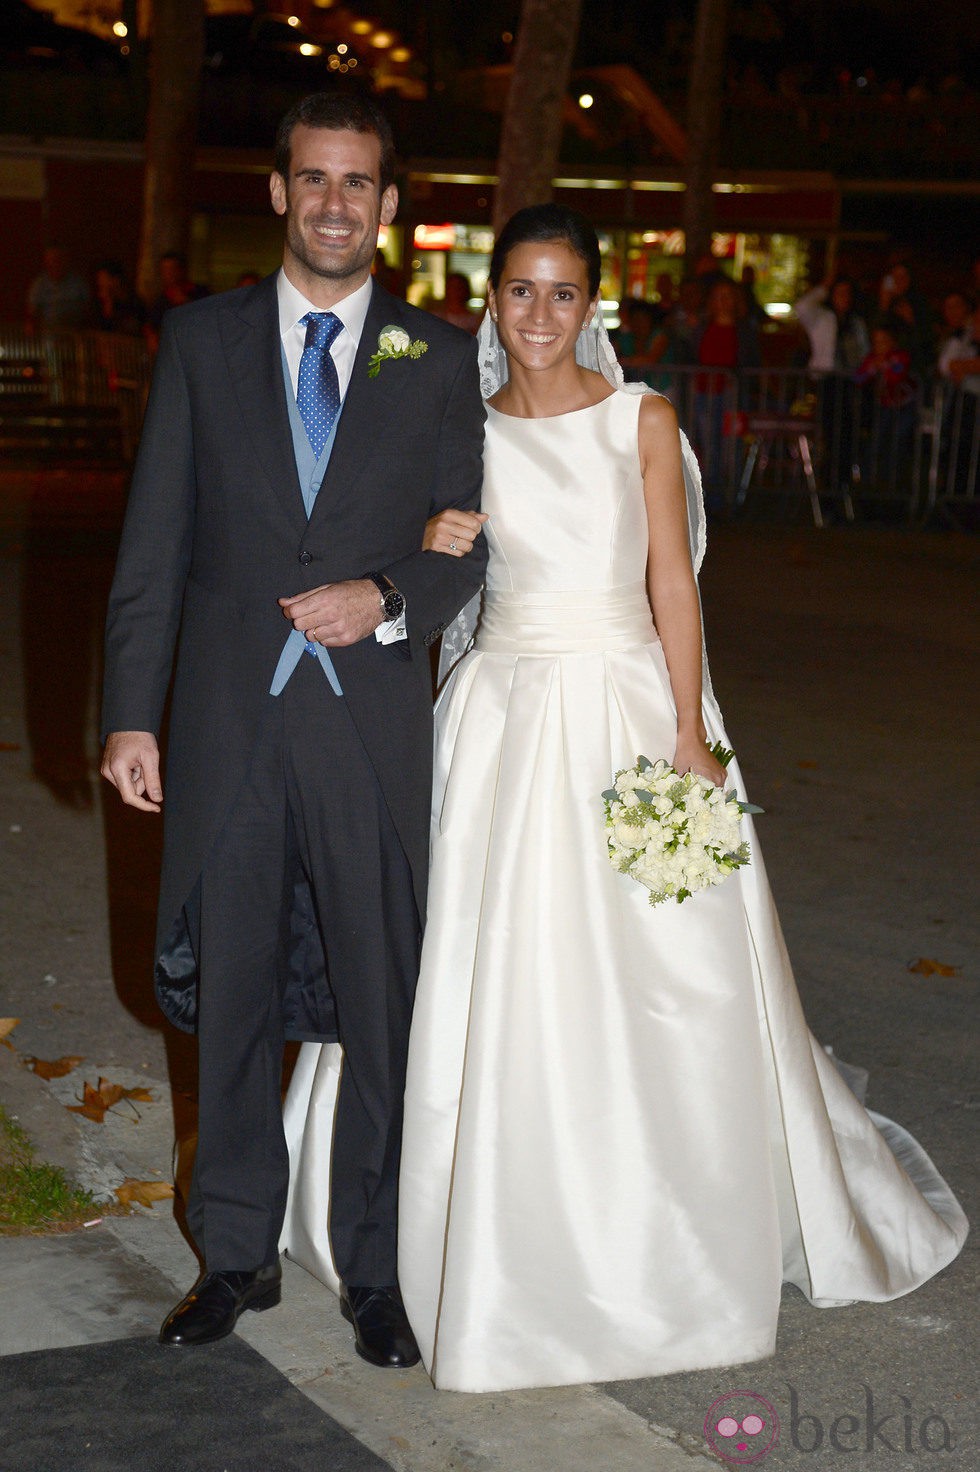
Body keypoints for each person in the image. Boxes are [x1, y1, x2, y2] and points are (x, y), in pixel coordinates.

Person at [281, 204, 966, 1393]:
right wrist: (429, 535)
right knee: (475, 962)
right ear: (489, 301)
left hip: (623, 702)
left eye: (559, 293)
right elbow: (430, 559)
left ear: (590, 302)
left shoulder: (641, 420)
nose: (536, 316)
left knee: (668, 968)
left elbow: (672, 584)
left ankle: (669, 1224)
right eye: (516, 292)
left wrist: (689, 734)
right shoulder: (464, 421)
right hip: (496, 710)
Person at [100, 90, 487, 1367]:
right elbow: (152, 542)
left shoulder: (433, 359)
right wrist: (127, 718)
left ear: (388, 205)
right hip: (225, 727)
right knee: (236, 1002)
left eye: (355, 183)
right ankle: (234, 1255)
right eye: (311, 179)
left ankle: (373, 1272)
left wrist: (384, 595)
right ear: (278, 193)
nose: (332, 202)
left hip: (368, 728)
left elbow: (465, 540)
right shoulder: (201, 343)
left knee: (381, 1003)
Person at [26, 244, 92, 332]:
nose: (55, 264)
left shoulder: (78, 282)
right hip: (49, 333)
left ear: (66, 260)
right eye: (51, 260)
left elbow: (88, 309)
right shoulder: (39, 284)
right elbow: (32, 311)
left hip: (75, 333)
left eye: (58, 259)